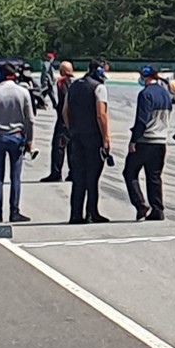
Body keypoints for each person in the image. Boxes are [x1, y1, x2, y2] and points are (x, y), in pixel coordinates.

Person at [0, 64, 36, 224]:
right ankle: (14, 211)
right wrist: (29, 141)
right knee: (15, 177)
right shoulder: (23, 92)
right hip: (16, 136)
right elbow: (30, 120)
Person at [64, 61, 112, 225]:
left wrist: (72, 129)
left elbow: (66, 112)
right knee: (92, 176)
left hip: (76, 136)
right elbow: (101, 114)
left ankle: (75, 214)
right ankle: (92, 212)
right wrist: (105, 137)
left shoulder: (74, 86)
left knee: (78, 177)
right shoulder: (99, 87)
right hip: (93, 137)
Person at [125, 65, 173, 221]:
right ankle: (157, 209)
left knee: (130, 172)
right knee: (154, 177)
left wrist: (134, 140)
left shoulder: (145, 94)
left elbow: (142, 120)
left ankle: (140, 204)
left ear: (145, 77)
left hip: (146, 140)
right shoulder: (165, 94)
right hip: (161, 140)